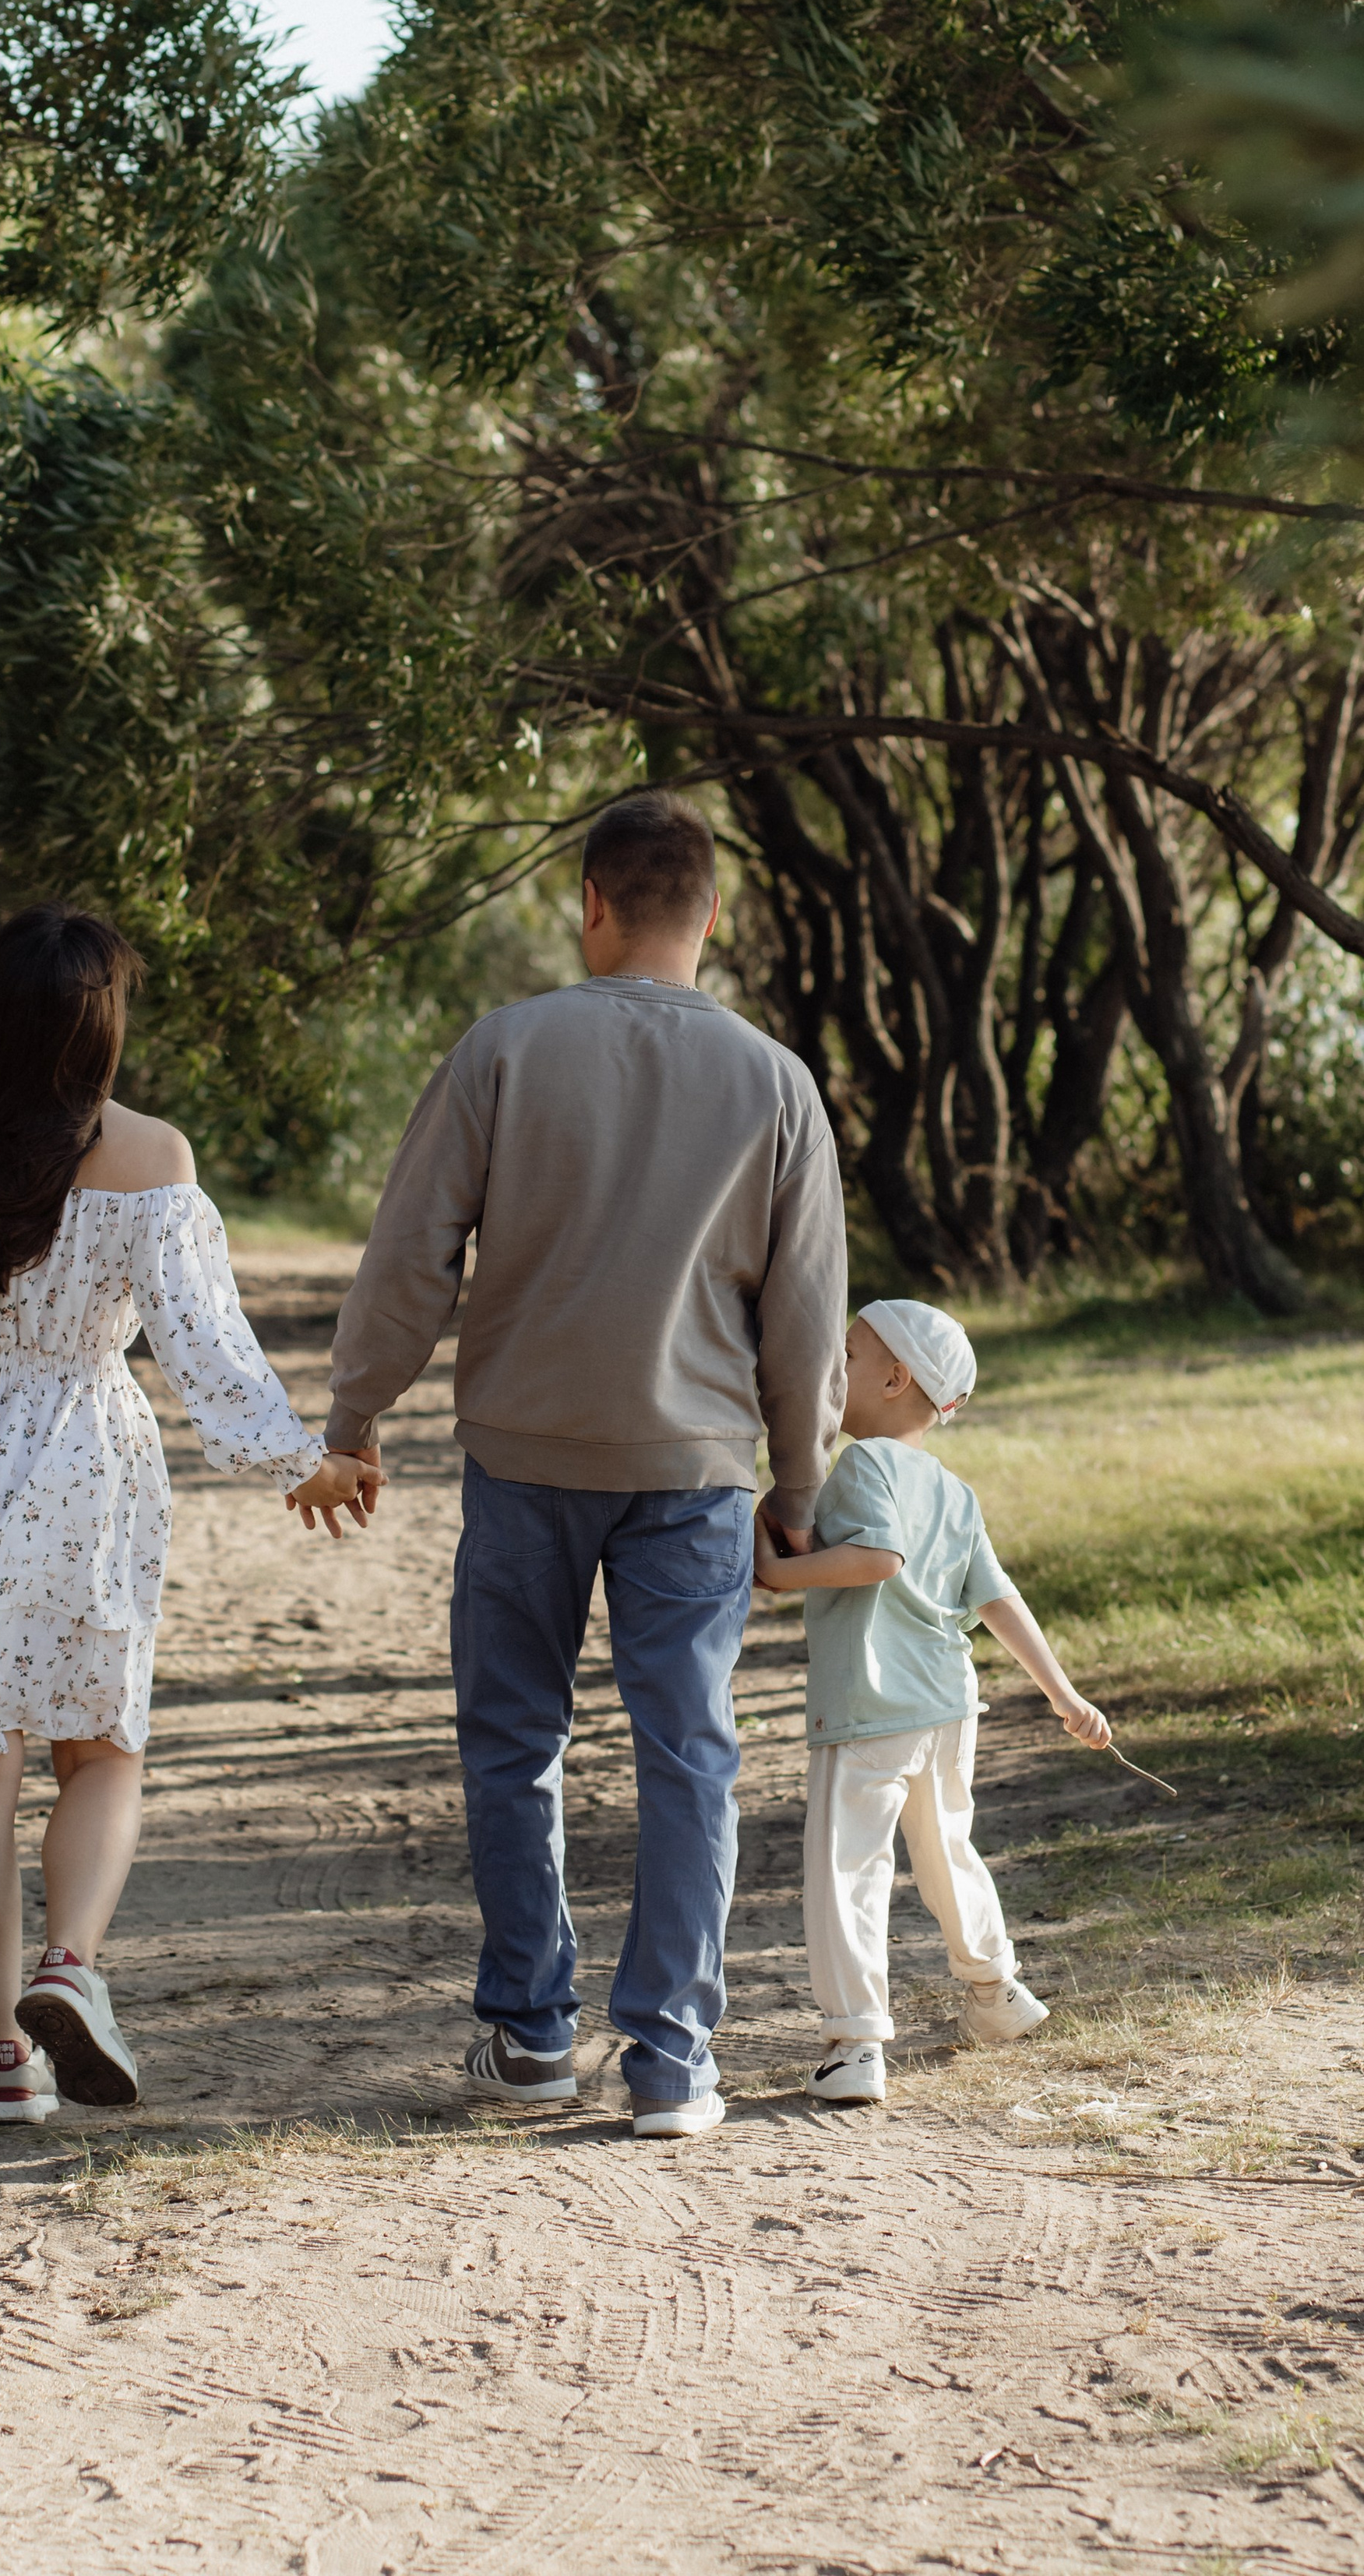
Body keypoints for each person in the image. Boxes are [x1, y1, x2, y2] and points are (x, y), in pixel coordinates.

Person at [0, 906, 379, 2126]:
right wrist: (303, 1463)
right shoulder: (151, 1159)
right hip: (84, 1464)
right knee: (102, 1747)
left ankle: (6, 2057)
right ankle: (72, 1967)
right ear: (104, 1025)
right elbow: (208, 1356)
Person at [324, 788, 848, 2138]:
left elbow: (411, 1256)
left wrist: (355, 1415)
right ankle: (672, 2058)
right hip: (699, 1466)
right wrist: (797, 1485)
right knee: (691, 1753)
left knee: (516, 1741)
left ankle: (530, 2036)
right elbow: (800, 1315)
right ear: (712, 915)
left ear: (593, 906)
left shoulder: (505, 1048)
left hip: (524, 1456)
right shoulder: (776, 1081)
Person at [753, 1298, 1111, 2107]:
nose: (829, 1367)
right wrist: (1062, 1692)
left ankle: (854, 2043)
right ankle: (995, 1989)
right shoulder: (953, 1490)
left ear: (891, 1377)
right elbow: (999, 1599)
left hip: (868, 1707)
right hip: (948, 1708)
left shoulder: (865, 1465)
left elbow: (877, 1558)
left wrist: (775, 1574)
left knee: (847, 1867)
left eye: (844, 1353)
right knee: (948, 1850)